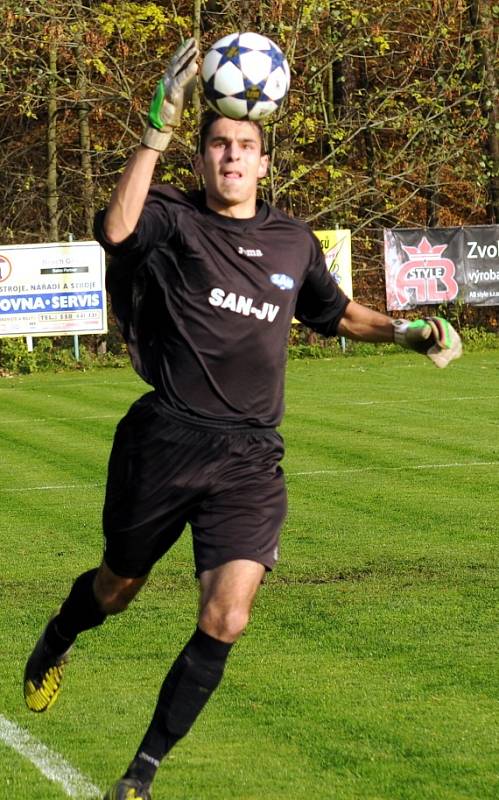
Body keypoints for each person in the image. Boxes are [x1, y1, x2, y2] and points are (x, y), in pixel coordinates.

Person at [23, 38, 462, 800]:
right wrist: (156, 129)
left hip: (251, 457)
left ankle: (141, 773)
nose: (231, 157)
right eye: (219, 144)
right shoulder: (171, 218)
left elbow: (337, 315)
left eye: (245, 147)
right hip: (164, 439)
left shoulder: (293, 242)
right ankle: (60, 636)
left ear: (264, 163)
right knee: (116, 589)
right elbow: (117, 233)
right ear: (201, 160)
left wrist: (406, 332)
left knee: (227, 617)